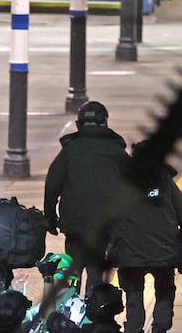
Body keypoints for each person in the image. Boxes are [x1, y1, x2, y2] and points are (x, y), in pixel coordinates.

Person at [108, 140, 182, 333]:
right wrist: (181, 243)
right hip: (163, 250)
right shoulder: (164, 180)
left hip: (130, 252)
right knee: (164, 290)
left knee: (134, 293)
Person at [44, 101, 135, 294]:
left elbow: (52, 184)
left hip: (74, 223)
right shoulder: (116, 151)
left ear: (79, 124)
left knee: (72, 269)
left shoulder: (70, 150)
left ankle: (70, 305)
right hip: (104, 224)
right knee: (96, 270)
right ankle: (92, 305)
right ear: (105, 123)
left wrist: (50, 218)